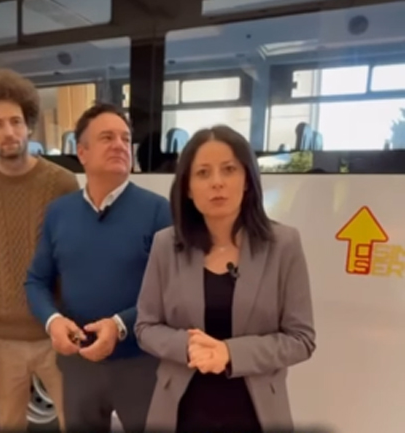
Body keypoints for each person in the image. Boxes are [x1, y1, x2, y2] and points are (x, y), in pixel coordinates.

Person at [134, 125, 316, 433]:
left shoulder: (284, 244)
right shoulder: (166, 244)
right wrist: (189, 347)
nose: (217, 182)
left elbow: (301, 339)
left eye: (229, 170)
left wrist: (230, 353)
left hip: (256, 413)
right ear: (188, 188)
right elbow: (145, 327)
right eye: (203, 173)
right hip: (179, 411)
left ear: (247, 180)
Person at [25, 103, 172, 433]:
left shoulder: (158, 211)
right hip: (79, 364)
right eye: (107, 137)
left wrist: (120, 325)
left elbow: (172, 290)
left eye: (125, 138)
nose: (120, 145)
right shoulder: (58, 213)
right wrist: (53, 321)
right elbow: (36, 280)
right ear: (82, 152)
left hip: (141, 363)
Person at [0, 68, 79, 432]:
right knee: (9, 424)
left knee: (75, 421)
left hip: (56, 332)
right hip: (3, 339)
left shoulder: (62, 182)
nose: (8, 132)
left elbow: (72, 257)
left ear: (29, 125)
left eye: (15, 121)